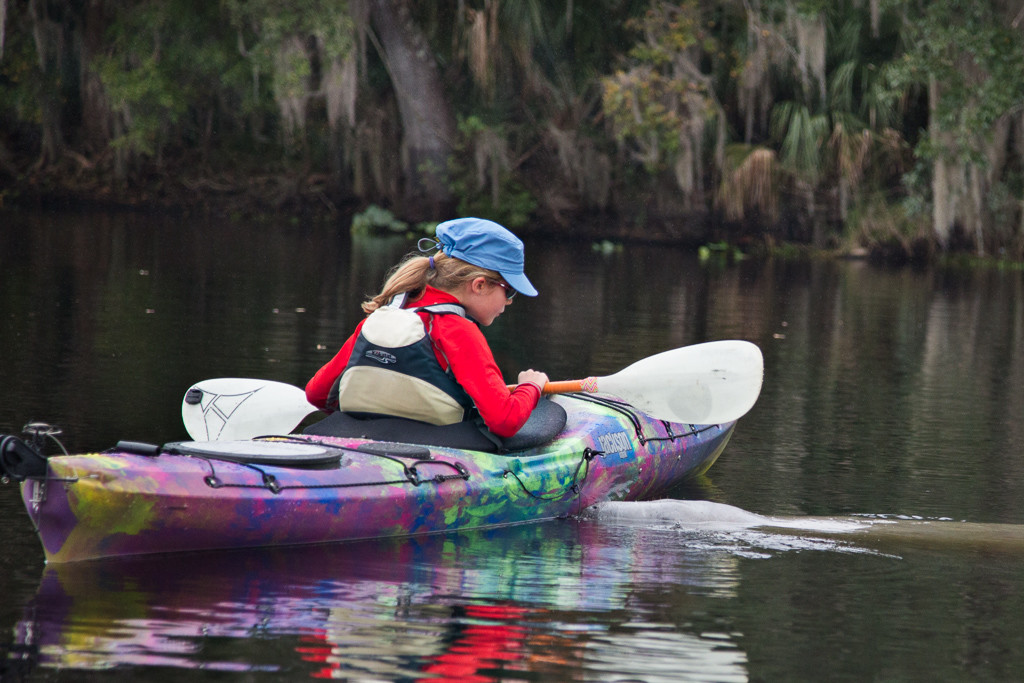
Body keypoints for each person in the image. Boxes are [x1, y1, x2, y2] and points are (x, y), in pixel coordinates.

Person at [305, 217, 550, 439]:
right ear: (479, 285)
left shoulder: (378, 319)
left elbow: (317, 394)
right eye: (509, 290)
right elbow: (505, 421)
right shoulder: (458, 331)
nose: (509, 301)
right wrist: (531, 386)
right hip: (429, 454)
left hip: (360, 444)